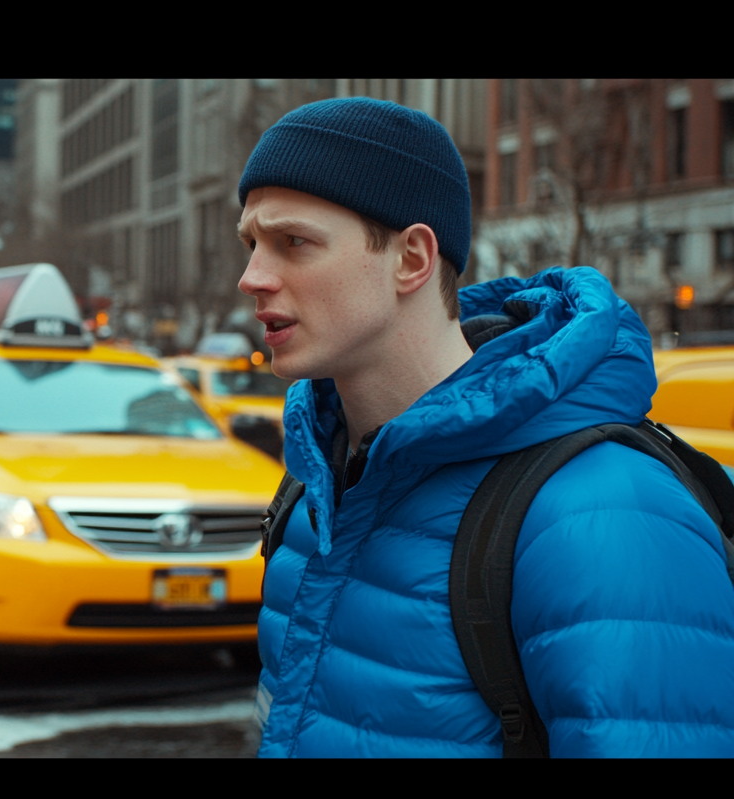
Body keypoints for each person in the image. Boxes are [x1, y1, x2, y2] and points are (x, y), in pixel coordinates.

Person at [238, 98, 734, 757]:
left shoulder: (603, 510)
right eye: (250, 244)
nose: (252, 278)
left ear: (412, 259)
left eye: (292, 242)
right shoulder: (317, 484)